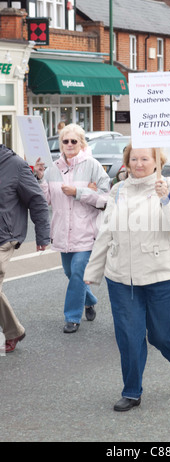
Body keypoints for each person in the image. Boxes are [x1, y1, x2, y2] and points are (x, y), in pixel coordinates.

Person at [84, 144, 170, 411]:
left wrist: (166, 199)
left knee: (161, 333)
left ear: (157, 161)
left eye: (145, 158)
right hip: (123, 276)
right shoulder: (118, 189)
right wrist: (93, 271)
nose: (139, 163)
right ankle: (132, 391)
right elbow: (106, 232)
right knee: (129, 336)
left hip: (164, 275)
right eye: (134, 158)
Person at [34, 123, 110, 333]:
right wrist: (40, 178)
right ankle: (89, 299)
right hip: (61, 232)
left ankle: (72, 317)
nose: (69, 144)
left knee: (78, 271)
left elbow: (105, 198)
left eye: (73, 141)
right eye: (65, 141)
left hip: (86, 231)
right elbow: (45, 200)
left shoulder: (93, 165)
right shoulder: (52, 168)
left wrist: (79, 192)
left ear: (81, 143)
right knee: (70, 273)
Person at [0, 143, 50, 353]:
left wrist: (42, 235)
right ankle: (14, 331)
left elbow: (37, 200)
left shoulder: (15, 165)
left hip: (4, 236)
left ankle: (12, 331)